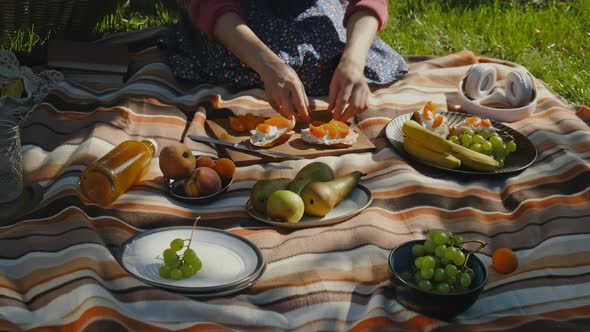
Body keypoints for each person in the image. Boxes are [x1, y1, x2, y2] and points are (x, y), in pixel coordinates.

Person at [168, 0, 407, 122]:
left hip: (311, 11)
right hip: (235, 17)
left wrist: (354, 62)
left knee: (323, 57)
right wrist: (268, 66)